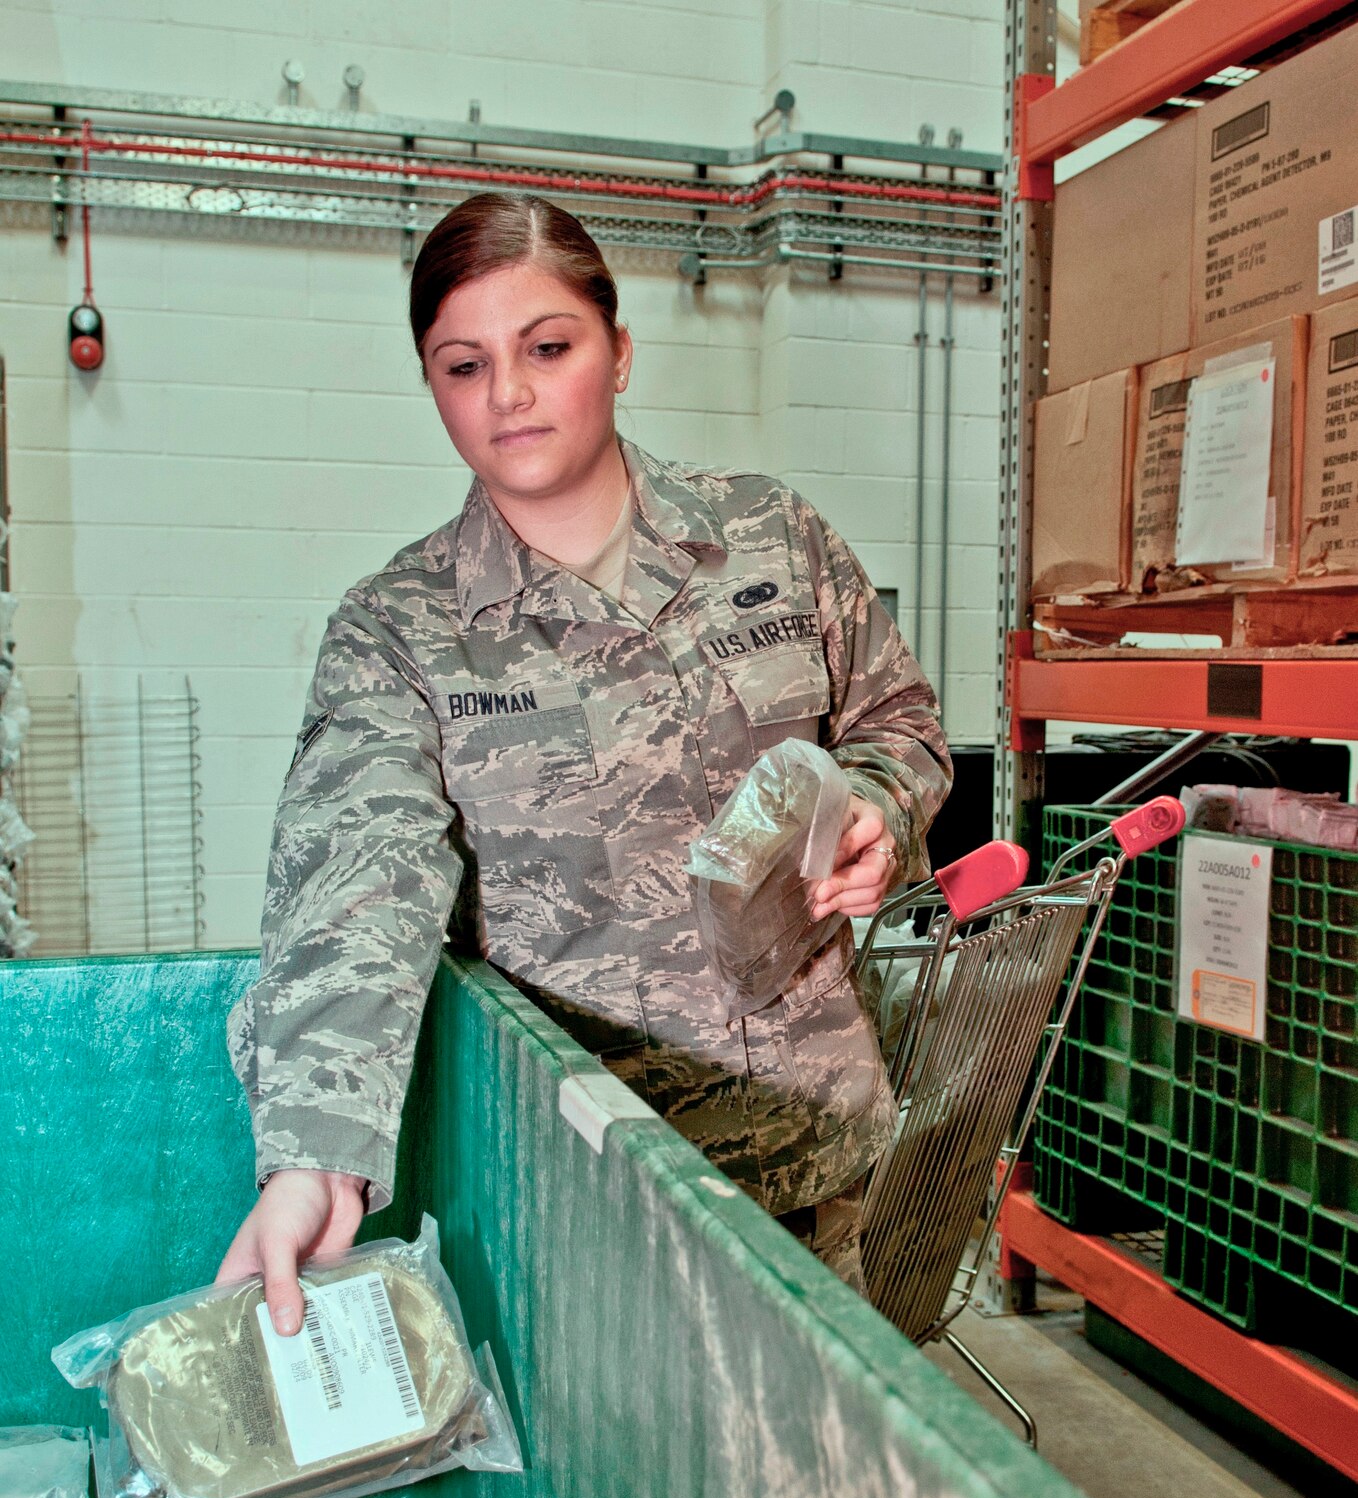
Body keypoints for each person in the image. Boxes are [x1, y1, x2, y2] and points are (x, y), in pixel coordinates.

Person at [218, 192, 951, 1332]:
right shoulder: (401, 630)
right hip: (598, 1198)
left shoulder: (772, 540)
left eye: (545, 348)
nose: (505, 393)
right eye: (462, 366)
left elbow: (895, 720)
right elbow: (357, 880)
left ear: (617, 352)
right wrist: (316, 1155)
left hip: (818, 1161)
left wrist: (874, 807)